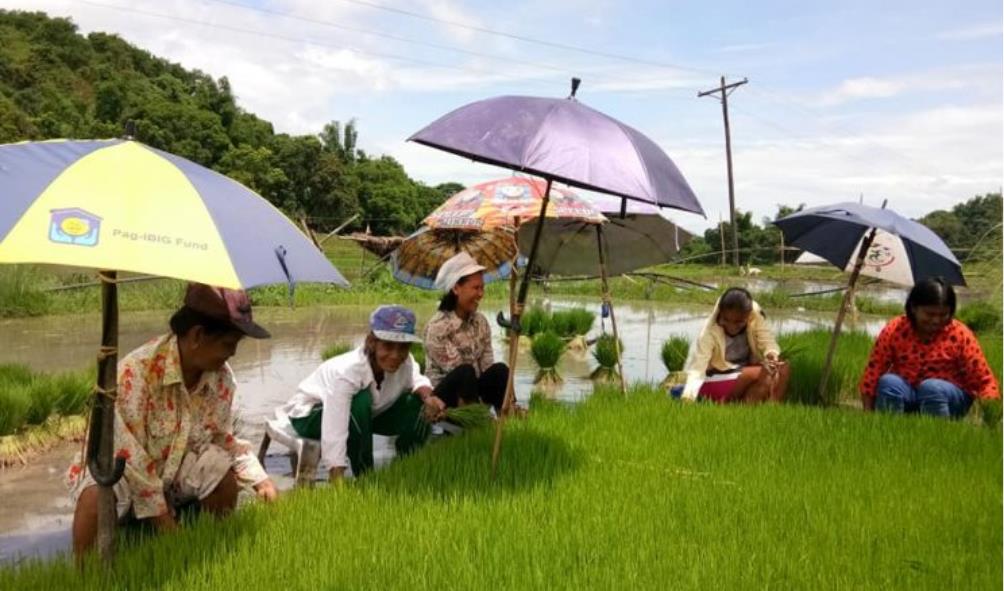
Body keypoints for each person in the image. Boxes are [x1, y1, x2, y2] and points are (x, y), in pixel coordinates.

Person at [68, 283, 277, 558]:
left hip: (173, 471)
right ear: (197, 336)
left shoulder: (221, 379)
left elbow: (220, 439)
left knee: (222, 473)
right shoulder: (135, 374)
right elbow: (129, 458)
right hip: (121, 474)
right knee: (96, 497)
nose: (233, 354)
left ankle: (215, 549)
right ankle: (85, 577)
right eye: (228, 344)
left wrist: (261, 481)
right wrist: (165, 523)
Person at [280, 305, 444, 483]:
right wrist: (337, 478)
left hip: (363, 415)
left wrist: (429, 398)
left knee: (417, 403)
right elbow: (335, 427)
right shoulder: (348, 372)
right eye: (388, 346)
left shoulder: (406, 362)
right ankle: (365, 476)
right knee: (360, 401)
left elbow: (417, 380)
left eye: (403, 347)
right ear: (372, 343)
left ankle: (408, 464)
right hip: (310, 414)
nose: (395, 355)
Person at [860, 277, 999, 418]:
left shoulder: (960, 334)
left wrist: (991, 420)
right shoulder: (896, 329)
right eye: (930, 314)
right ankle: (886, 429)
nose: (936, 321)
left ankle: (939, 433)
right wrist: (867, 413)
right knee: (888, 382)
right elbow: (874, 371)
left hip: (949, 399)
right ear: (914, 308)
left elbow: (983, 380)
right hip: (909, 393)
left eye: (943, 315)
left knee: (931, 388)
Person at [424, 252, 510, 412]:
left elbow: (487, 365)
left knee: (500, 370)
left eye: (482, 288)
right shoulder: (438, 327)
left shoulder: (481, 322)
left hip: (472, 388)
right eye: (476, 288)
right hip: (444, 398)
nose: (481, 294)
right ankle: (474, 422)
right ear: (456, 288)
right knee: (465, 372)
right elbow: (456, 371)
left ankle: (508, 416)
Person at [681, 287, 789, 403]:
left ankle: (767, 408)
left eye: (739, 322)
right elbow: (697, 370)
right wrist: (688, 396)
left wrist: (771, 354)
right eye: (726, 320)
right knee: (759, 372)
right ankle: (734, 406)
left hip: (739, 374)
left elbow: (767, 340)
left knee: (782, 368)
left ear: (748, 316)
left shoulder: (755, 317)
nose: (732, 327)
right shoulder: (708, 332)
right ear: (720, 314)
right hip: (712, 379)